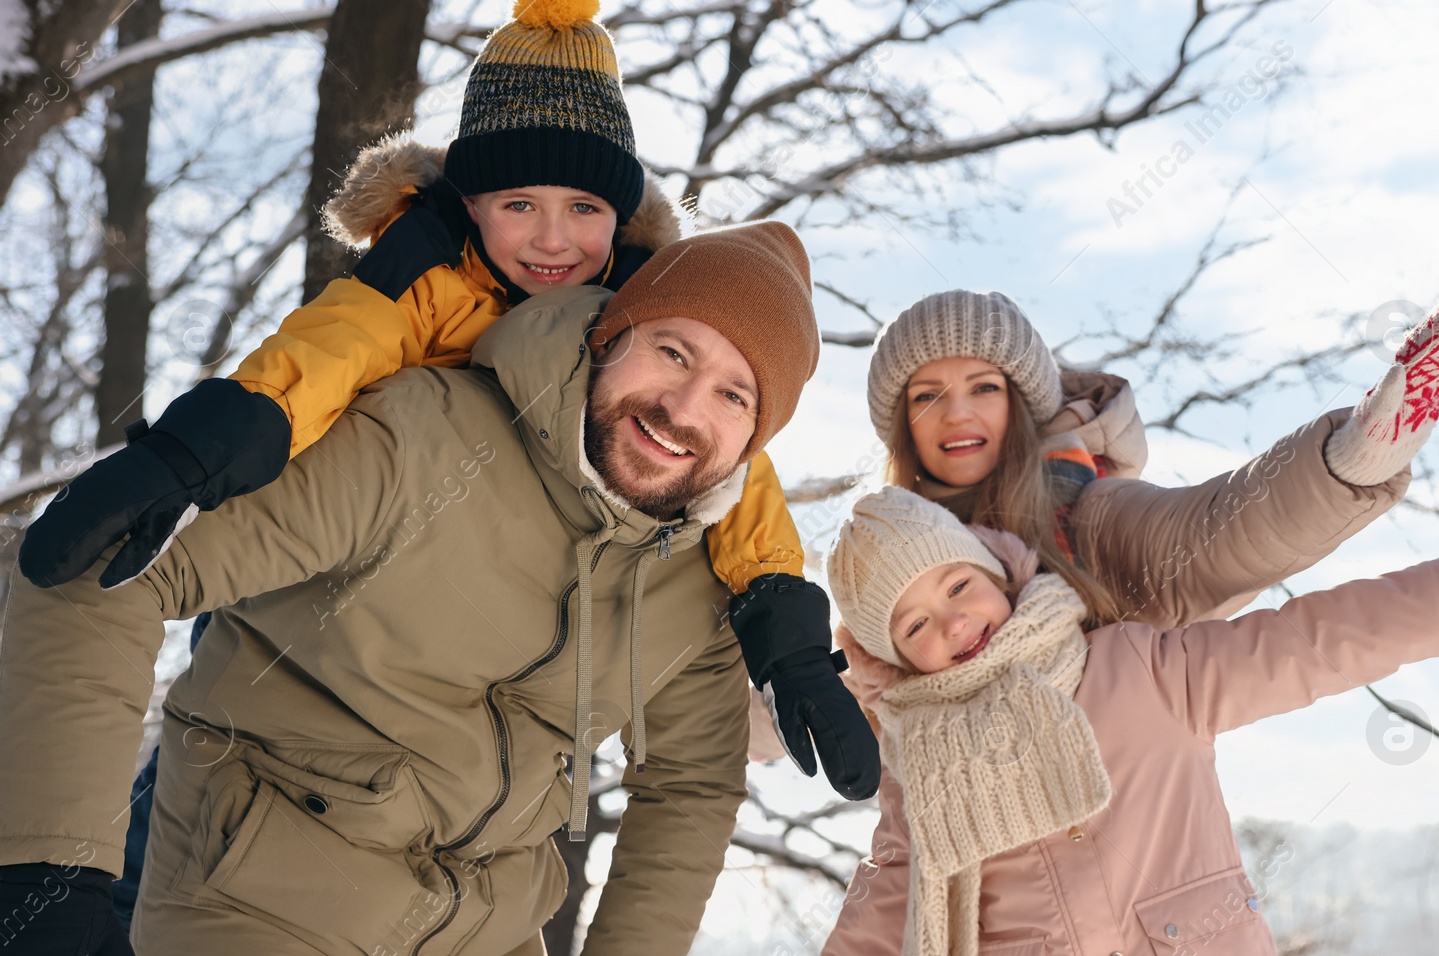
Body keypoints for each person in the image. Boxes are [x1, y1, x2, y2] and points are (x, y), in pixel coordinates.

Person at [0, 221, 820, 956]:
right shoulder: (419, 436)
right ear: (609, 335)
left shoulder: (702, 569)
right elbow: (96, 571)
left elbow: (690, 788)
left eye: (736, 395)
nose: (685, 410)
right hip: (270, 919)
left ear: (755, 440)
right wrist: (50, 874)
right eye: (674, 352)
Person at [17, 0, 878, 805]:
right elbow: (323, 352)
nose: (553, 239)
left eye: (583, 206)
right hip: (311, 552)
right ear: (469, 202)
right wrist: (196, 448)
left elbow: (734, 472)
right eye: (518, 204)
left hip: (456, 619)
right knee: (205, 756)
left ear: (620, 217)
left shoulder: (633, 312)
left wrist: (786, 629)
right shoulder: (421, 275)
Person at [785, 487, 1439, 956]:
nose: (955, 622)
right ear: (891, 659)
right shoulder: (915, 776)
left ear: (999, 572)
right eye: (915, 623)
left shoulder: (1139, 668)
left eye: (957, 584)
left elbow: (1306, 642)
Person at [865, 285, 1439, 626]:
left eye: (984, 388)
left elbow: (1205, 533)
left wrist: (1341, 465)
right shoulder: (879, 559)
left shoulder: (1087, 514)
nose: (956, 414)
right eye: (927, 396)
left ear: (1021, 406)